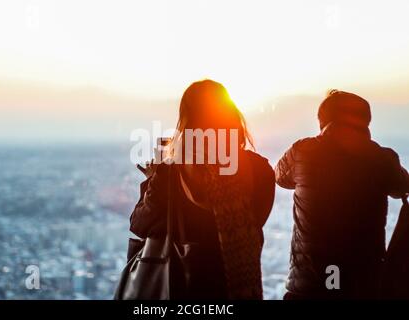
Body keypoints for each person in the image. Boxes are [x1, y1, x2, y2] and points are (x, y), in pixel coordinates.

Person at [130, 80, 275, 299]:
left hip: (184, 287)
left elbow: (140, 224)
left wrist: (152, 180)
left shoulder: (170, 173)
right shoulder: (260, 169)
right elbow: (255, 222)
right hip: (238, 286)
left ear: (187, 121)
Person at [275, 90, 409, 299]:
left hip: (309, 285)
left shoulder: (302, 151)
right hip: (363, 287)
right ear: (365, 121)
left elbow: (280, 178)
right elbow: (403, 186)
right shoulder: (383, 160)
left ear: (324, 120)